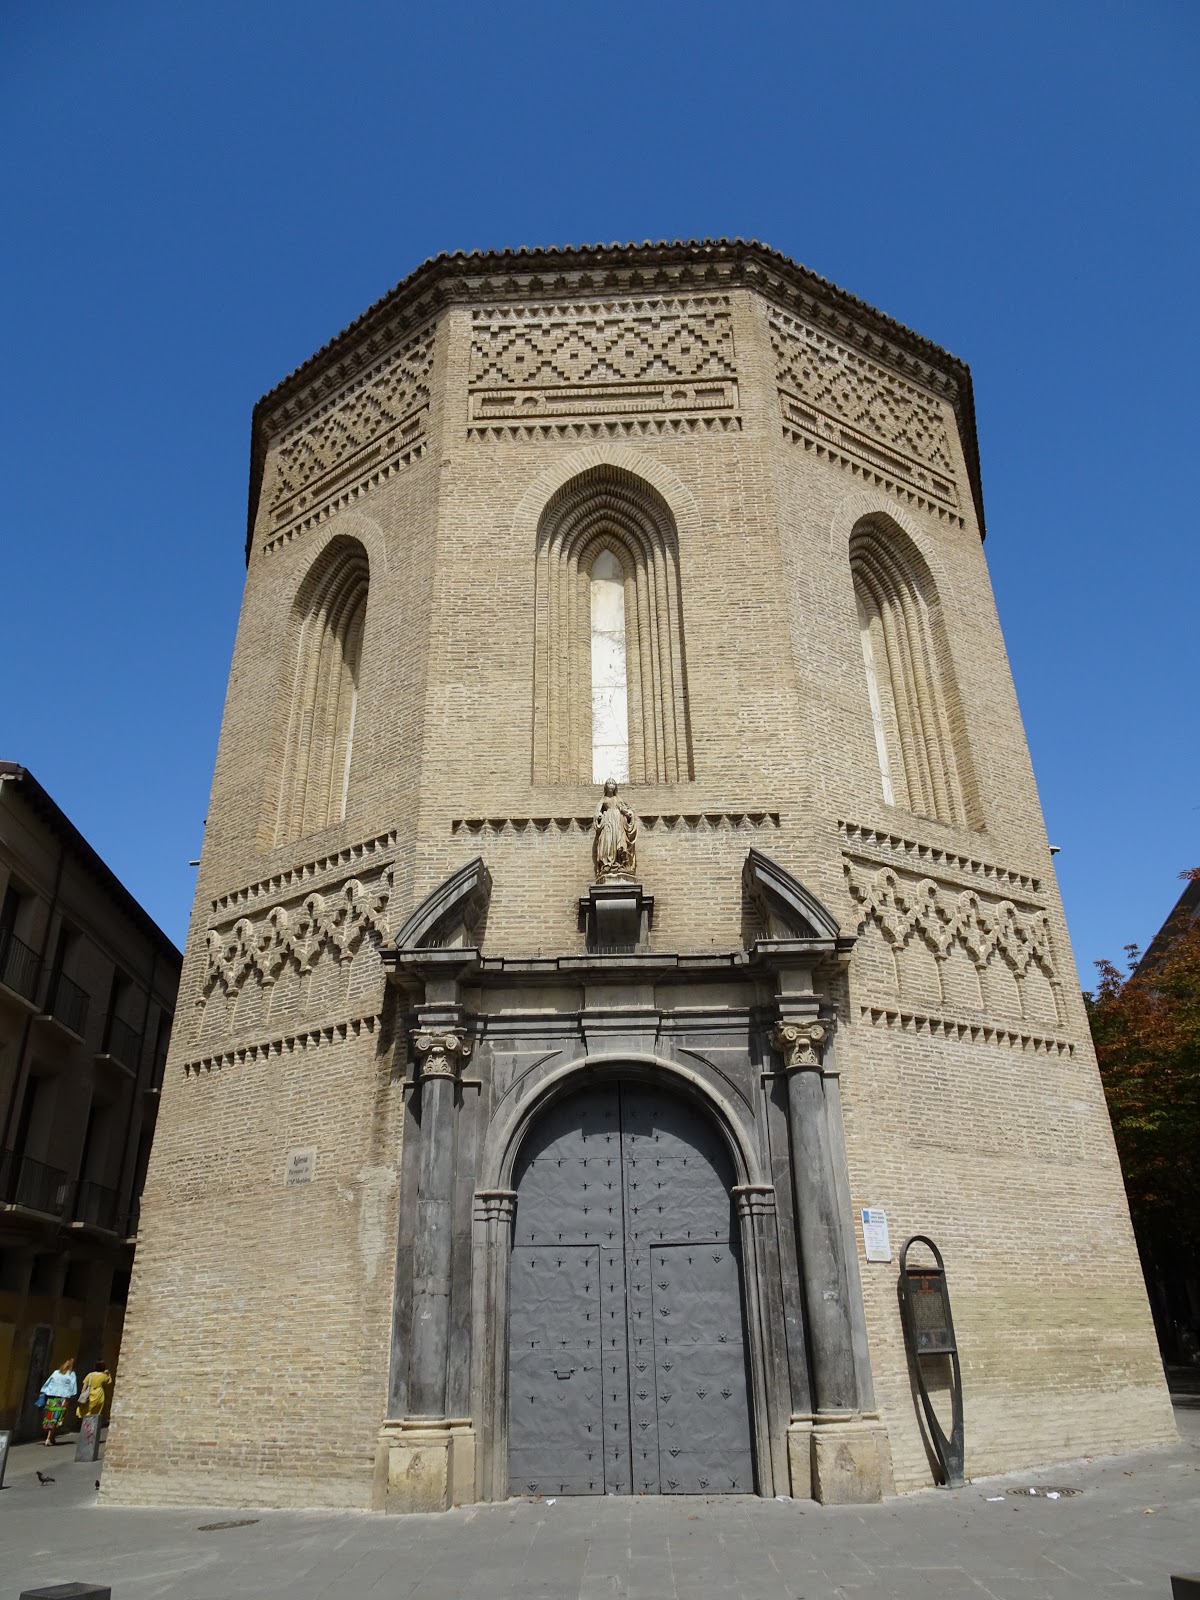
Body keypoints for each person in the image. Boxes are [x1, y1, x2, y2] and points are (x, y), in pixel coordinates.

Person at [38, 1357, 78, 1445]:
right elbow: (73, 1387)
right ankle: (48, 1439)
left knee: (50, 1417)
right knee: (56, 1418)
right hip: (62, 1399)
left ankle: (51, 1437)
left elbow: (48, 1383)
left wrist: (45, 1390)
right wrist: (71, 1395)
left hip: (51, 1398)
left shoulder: (56, 1372)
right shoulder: (71, 1374)